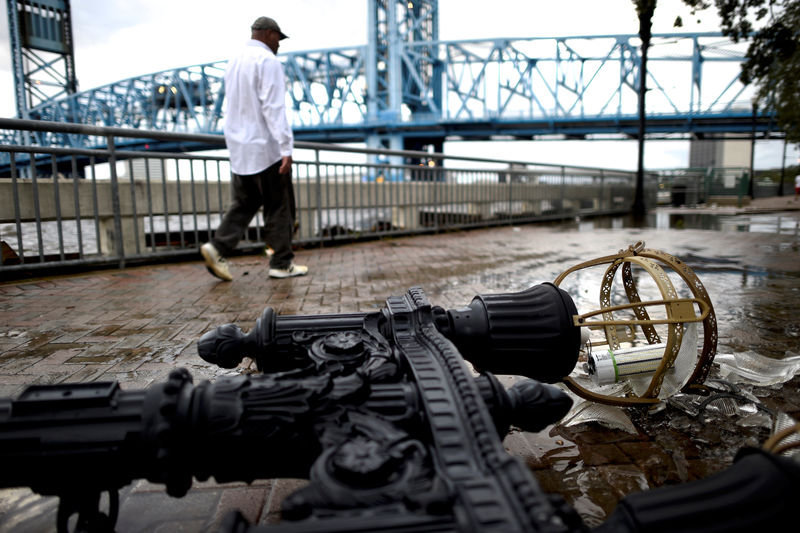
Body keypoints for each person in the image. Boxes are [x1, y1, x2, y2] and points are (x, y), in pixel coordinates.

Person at [201, 16, 308, 281]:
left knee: (245, 203)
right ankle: (281, 263)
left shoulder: (234, 61)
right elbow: (273, 107)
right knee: (279, 206)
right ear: (269, 34)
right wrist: (286, 147)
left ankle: (217, 248)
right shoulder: (268, 62)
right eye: (278, 39)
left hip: (240, 148)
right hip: (266, 147)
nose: (279, 45)